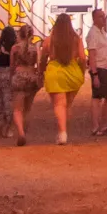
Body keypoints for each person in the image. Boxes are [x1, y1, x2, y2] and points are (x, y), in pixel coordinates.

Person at [41, 15, 86, 145]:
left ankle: (62, 133)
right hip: (72, 72)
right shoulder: (76, 40)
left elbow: (43, 59)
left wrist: (41, 71)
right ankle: (63, 130)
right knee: (68, 104)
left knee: (59, 104)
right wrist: (82, 72)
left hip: (55, 72)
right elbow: (83, 58)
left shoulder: (49, 40)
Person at [85, 8, 107, 138]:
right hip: (99, 68)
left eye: (104, 16)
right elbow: (92, 56)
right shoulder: (93, 33)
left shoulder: (102, 32)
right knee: (97, 98)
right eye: (100, 17)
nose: (103, 19)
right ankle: (95, 127)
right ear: (94, 19)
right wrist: (95, 75)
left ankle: (104, 125)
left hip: (106, 68)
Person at [10, 26, 42, 144]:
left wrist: (10, 79)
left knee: (17, 109)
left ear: (20, 35)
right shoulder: (35, 49)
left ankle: (21, 133)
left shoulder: (15, 48)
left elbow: (12, 66)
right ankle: (24, 131)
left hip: (18, 77)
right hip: (31, 77)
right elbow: (39, 66)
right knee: (27, 109)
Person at [0, 26, 18, 140]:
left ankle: (1, 127)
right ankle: (8, 128)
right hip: (11, 78)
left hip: (0, 79)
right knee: (10, 103)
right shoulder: (15, 49)